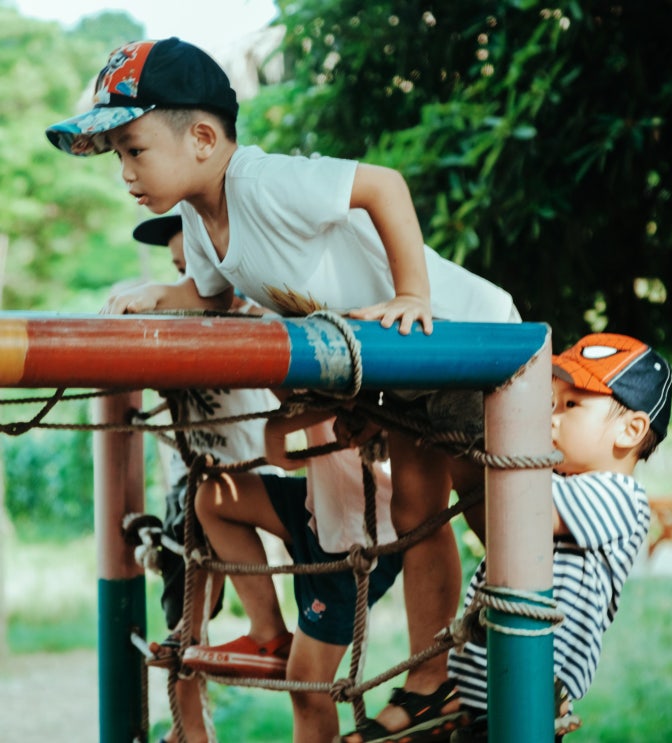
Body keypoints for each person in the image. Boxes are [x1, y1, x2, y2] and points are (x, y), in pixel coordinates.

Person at [46, 37, 521, 741]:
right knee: (421, 501)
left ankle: (524, 658)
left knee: (493, 511)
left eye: (134, 149)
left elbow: (382, 184)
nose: (125, 172)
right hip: (398, 364)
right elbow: (208, 297)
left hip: (458, 334)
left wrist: (410, 291)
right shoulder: (202, 223)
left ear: (202, 137)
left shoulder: (263, 184)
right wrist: (156, 297)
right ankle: (435, 680)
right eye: (116, 155)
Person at [447, 332, 672, 737]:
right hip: (485, 696)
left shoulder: (620, 498)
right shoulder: (556, 483)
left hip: (528, 696)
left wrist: (486, 436)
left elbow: (526, 507)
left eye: (571, 405)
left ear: (630, 430)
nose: (550, 417)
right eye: (550, 403)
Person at [131, 213, 283, 743]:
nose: (189, 286)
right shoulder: (172, 322)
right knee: (185, 625)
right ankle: (189, 731)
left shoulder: (258, 317)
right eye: (179, 272)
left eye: (200, 274)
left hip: (248, 476)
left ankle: (267, 637)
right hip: (190, 485)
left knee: (196, 614)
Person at [183, 405, 403, 743]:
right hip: (320, 501)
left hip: (358, 528)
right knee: (215, 497)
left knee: (306, 683)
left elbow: (367, 389)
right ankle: (267, 632)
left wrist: (279, 427)